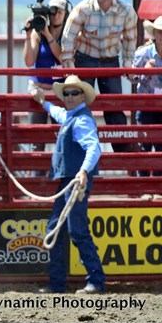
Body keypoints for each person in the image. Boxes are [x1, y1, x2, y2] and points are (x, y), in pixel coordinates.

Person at [31, 75, 105, 294]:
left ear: (82, 95)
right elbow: (59, 113)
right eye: (67, 93)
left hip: (75, 181)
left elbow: (94, 148)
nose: (70, 97)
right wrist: (42, 102)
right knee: (58, 228)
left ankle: (95, 280)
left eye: (74, 93)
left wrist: (83, 172)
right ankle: (59, 283)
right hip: (70, 180)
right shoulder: (73, 116)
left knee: (75, 230)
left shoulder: (81, 120)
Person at [61, 0, 137, 153]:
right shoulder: (84, 9)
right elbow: (68, 37)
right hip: (85, 59)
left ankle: (122, 155)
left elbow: (130, 38)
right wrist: (70, 66)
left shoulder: (126, 11)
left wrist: (127, 64)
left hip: (110, 61)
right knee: (79, 105)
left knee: (114, 107)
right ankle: (78, 150)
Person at [23, 0, 69, 150]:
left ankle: (62, 173)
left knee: (63, 138)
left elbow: (63, 58)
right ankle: (37, 173)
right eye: (52, 11)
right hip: (40, 91)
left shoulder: (69, 34)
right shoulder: (38, 33)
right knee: (37, 139)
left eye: (59, 12)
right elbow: (29, 61)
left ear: (66, 14)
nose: (55, 15)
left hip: (61, 92)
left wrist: (49, 35)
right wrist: (29, 35)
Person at [132, 16, 162, 172]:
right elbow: (131, 77)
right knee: (144, 146)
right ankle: (142, 187)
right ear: (155, 34)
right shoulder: (143, 54)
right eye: (160, 32)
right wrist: (144, 72)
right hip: (146, 106)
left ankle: (157, 187)